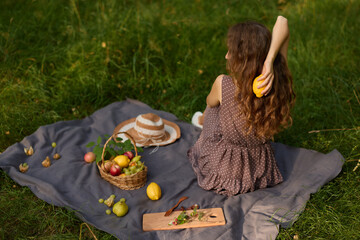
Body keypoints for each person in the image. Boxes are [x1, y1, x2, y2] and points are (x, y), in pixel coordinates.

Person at [188, 16, 296, 196]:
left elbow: (210, 102)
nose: (226, 55)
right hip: (260, 169)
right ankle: (204, 120)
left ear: (243, 60)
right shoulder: (278, 81)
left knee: (213, 107)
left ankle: (201, 120)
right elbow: (283, 21)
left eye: (231, 52)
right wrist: (269, 61)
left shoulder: (224, 83)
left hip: (225, 169)